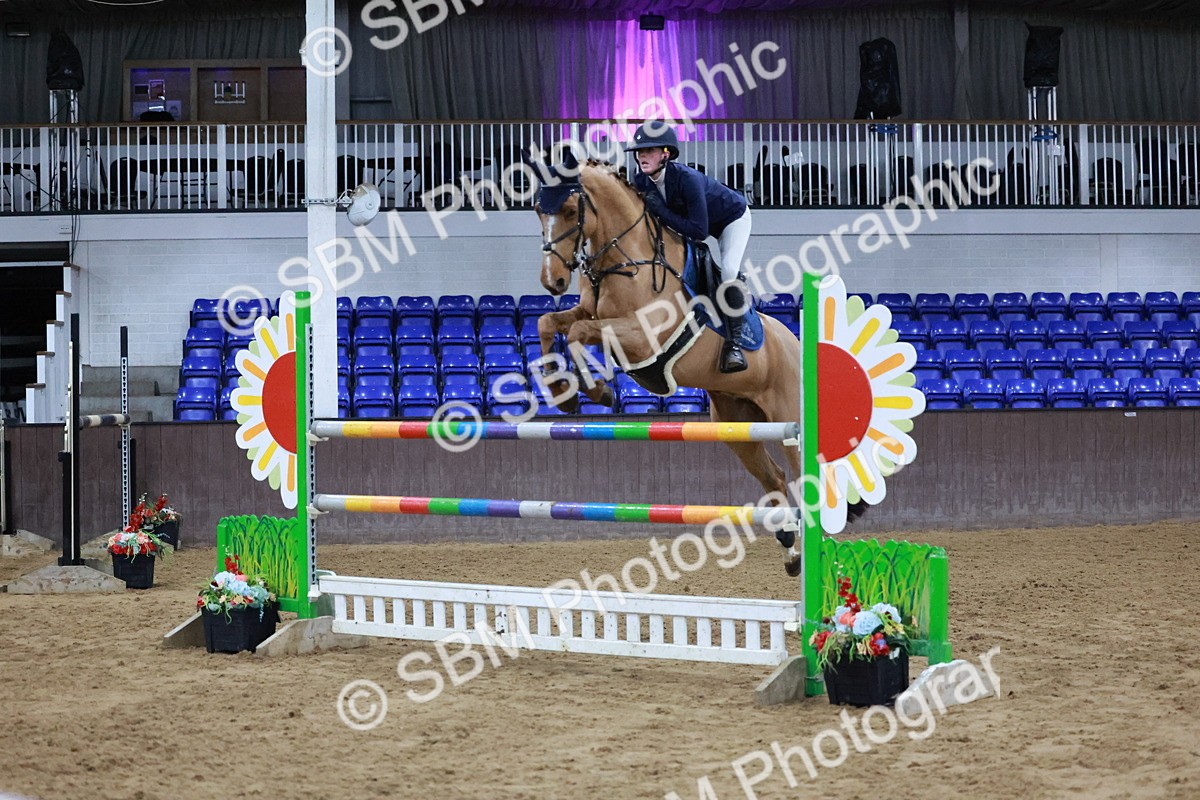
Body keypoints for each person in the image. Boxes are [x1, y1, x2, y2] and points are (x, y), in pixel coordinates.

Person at [625, 122, 753, 373]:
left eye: (649, 150)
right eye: (639, 151)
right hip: (694, 223)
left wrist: (661, 211)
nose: (641, 156)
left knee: (728, 270)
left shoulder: (688, 179)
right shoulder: (641, 181)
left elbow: (699, 231)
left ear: (666, 154)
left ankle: (734, 345)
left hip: (731, 218)